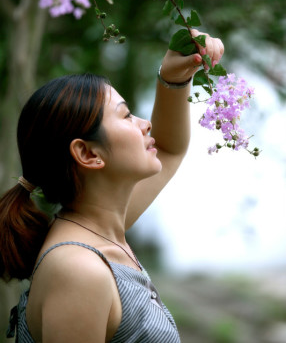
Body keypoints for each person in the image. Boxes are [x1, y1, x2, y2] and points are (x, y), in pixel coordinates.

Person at [0, 29, 224, 343]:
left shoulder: (98, 226)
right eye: (125, 115)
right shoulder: (78, 271)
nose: (145, 123)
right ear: (88, 153)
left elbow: (170, 149)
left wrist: (174, 76)